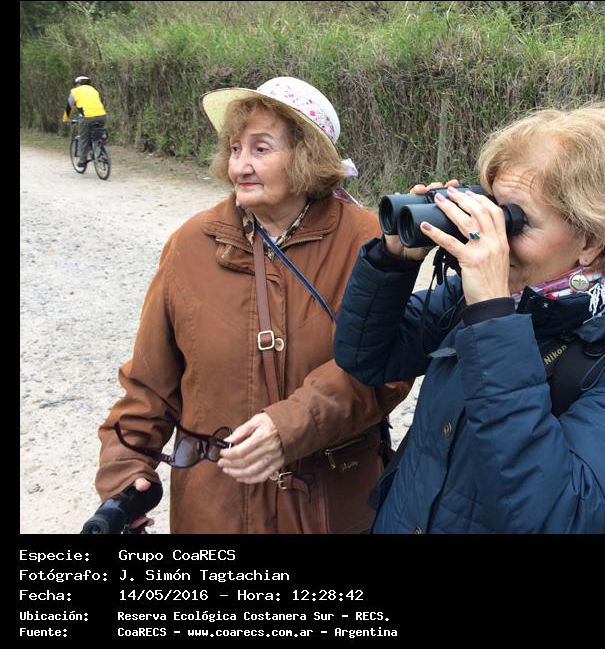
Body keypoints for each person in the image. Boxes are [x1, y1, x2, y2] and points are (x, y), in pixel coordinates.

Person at [334, 103, 605, 533]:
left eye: (514, 221)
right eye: (491, 207)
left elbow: (553, 518)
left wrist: (492, 322)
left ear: (592, 242)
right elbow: (364, 357)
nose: (490, 235)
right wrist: (394, 261)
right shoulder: (484, 299)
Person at [95, 76, 410, 533]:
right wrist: (124, 475)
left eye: (261, 149)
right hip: (213, 511)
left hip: (330, 509)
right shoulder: (190, 244)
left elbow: (387, 369)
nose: (240, 164)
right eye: (235, 148)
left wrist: (292, 426)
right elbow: (149, 383)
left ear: (306, 156)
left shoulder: (367, 241)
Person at [63, 76, 108, 168]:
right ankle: (100, 149)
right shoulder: (94, 91)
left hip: (87, 117)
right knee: (99, 133)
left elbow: (69, 107)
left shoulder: (75, 91)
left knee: (83, 138)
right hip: (102, 116)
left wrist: (65, 119)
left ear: (77, 84)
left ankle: (82, 161)